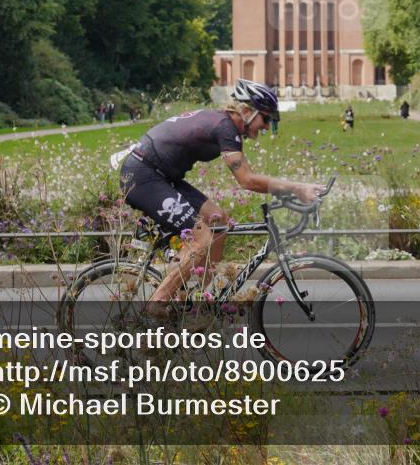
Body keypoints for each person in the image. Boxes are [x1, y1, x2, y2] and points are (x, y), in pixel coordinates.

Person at [112, 78, 323, 313]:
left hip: (160, 175)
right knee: (201, 238)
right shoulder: (225, 127)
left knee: (218, 219)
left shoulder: (224, 124)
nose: (266, 126)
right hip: (144, 175)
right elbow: (247, 180)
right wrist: (298, 188)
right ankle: (156, 304)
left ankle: (202, 298)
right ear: (246, 111)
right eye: (265, 118)